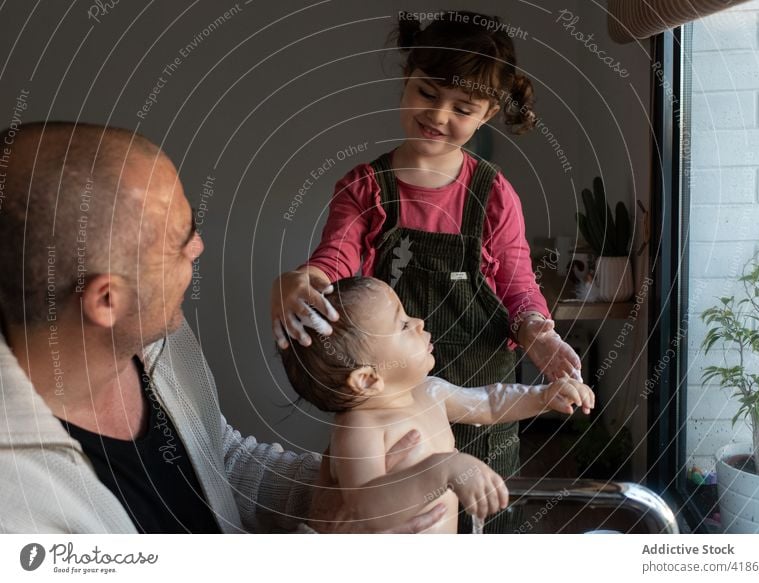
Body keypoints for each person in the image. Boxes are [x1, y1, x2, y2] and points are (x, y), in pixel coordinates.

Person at [0, 122, 441, 534]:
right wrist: (326, 541)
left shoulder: (160, 344)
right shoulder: (16, 507)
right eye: (180, 241)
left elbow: (216, 461)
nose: (199, 247)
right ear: (107, 301)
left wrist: (345, 483)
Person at [271, 11, 582, 532]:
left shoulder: (495, 195)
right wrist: (301, 284)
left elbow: (517, 285)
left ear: (486, 114)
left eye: (462, 108)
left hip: (486, 401)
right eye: (426, 93)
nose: (438, 115)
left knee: (487, 524)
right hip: (389, 410)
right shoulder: (366, 188)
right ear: (406, 81)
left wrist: (542, 338)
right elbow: (335, 263)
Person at [279, 276, 594, 533]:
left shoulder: (430, 392)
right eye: (402, 324)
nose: (418, 322)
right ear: (368, 379)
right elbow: (367, 509)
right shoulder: (359, 429)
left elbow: (490, 403)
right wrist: (441, 468)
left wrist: (542, 396)